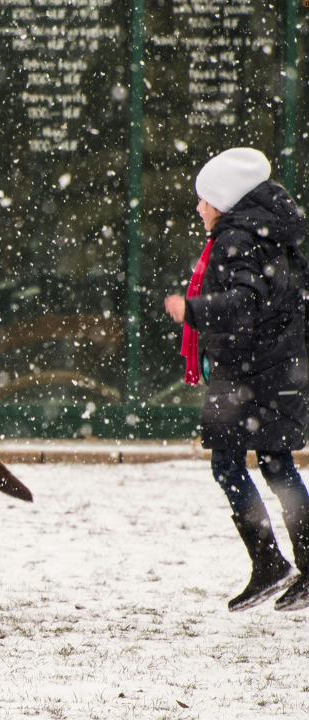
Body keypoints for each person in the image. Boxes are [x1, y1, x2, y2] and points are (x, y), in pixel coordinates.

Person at [164, 148, 309, 612]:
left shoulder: (236, 239)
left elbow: (246, 302)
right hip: (277, 369)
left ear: (224, 199)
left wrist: (193, 311)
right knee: (277, 465)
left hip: (248, 375)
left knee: (230, 466)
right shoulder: (275, 235)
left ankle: (269, 564)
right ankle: (294, 566)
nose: (199, 208)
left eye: (204, 200)